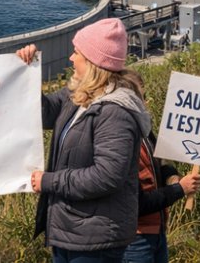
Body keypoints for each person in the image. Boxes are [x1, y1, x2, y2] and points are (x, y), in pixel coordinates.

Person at [16, 17, 149, 263]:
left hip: (95, 239)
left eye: (77, 52)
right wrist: (27, 72)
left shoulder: (115, 112)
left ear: (93, 63)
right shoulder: (78, 95)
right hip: (73, 231)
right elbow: (43, 113)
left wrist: (49, 181)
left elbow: (106, 176)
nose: (71, 58)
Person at [124, 128, 200, 263]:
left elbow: (161, 164)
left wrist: (174, 180)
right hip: (135, 239)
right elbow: (137, 203)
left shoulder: (144, 130)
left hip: (158, 233)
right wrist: (179, 189)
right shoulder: (121, 139)